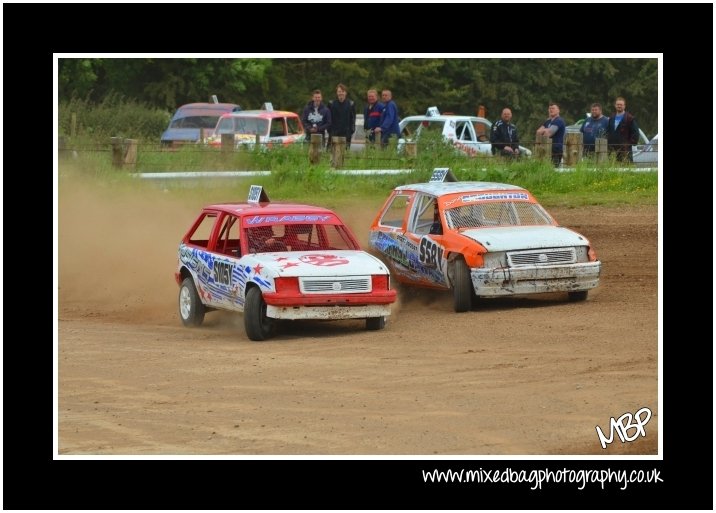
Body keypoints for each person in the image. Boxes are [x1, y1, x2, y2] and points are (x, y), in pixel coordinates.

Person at [607, 97, 640, 162]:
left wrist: (629, 144)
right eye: (617, 104)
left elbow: (636, 133)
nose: (619, 106)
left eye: (621, 105)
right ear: (615, 105)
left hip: (625, 150)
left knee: (626, 168)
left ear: (624, 106)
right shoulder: (611, 117)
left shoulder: (629, 118)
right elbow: (608, 131)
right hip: (612, 149)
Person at [328, 83, 356, 149]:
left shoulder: (351, 104)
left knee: (345, 153)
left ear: (345, 93)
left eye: (343, 91)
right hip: (334, 132)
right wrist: (330, 130)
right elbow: (329, 118)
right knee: (331, 152)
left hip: (346, 133)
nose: (341, 93)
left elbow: (353, 118)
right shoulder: (331, 104)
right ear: (337, 93)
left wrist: (351, 130)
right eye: (339, 91)